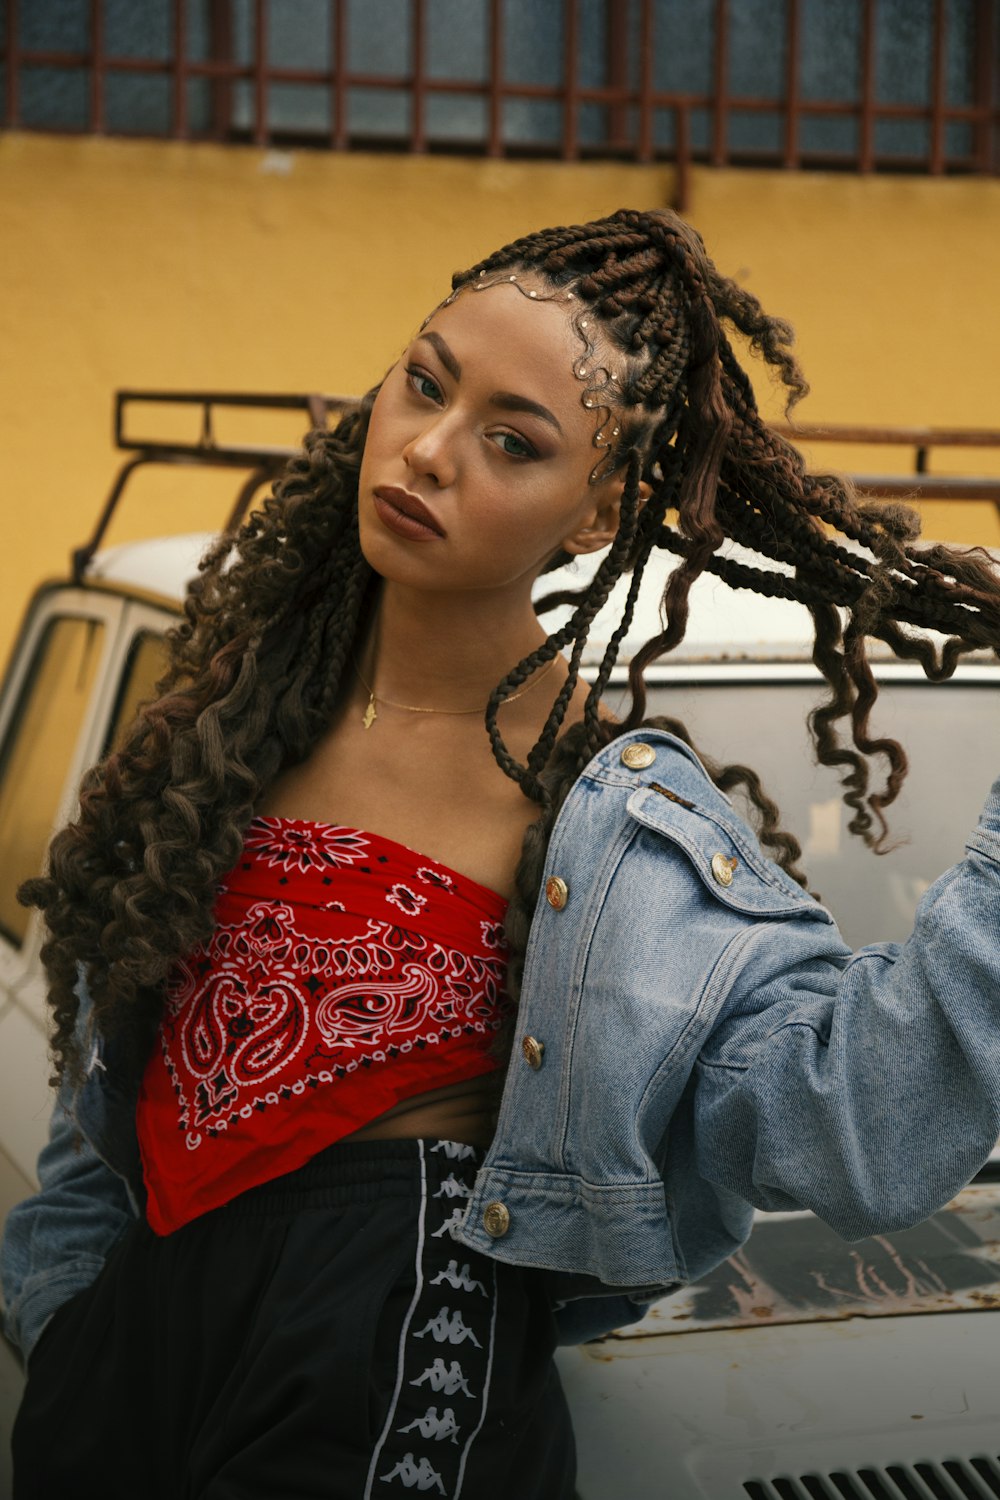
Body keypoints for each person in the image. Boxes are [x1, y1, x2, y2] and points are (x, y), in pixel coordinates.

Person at [4, 206, 1000, 1499]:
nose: (424, 452)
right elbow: (117, 1078)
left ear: (598, 511)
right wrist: (71, 1312)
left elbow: (843, 1119)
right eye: (423, 383)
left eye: (511, 443)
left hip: (383, 1361)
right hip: (130, 1357)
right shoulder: (235, 726)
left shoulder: (604, 820)